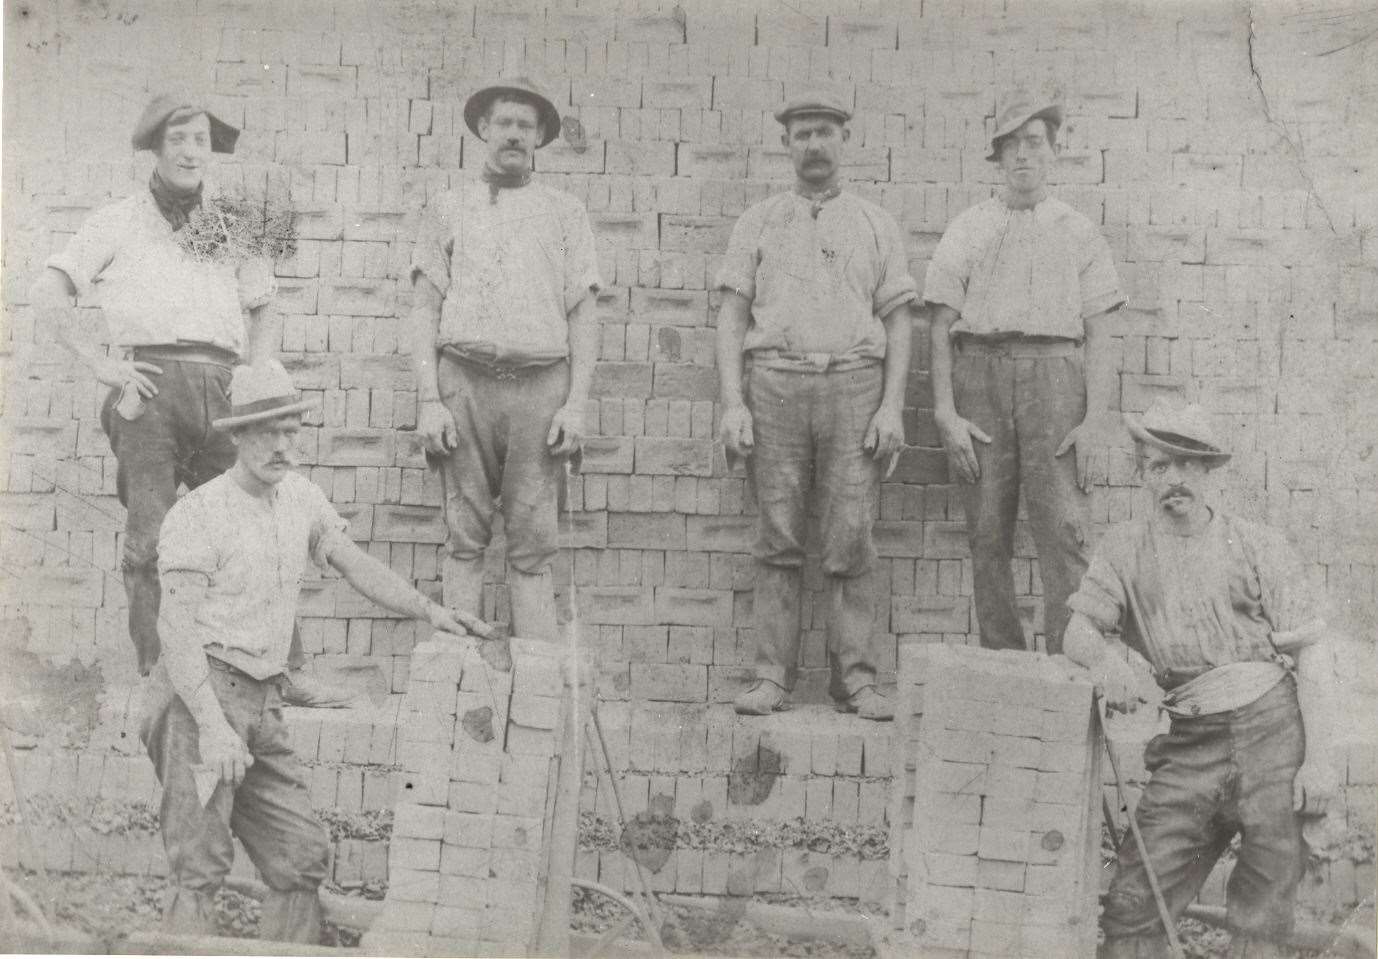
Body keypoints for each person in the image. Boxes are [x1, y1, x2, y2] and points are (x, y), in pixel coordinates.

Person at [147, 360, 480, 942]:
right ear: (237, 435)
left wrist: (431, 611)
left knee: (299, 854)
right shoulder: (198, 514)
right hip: (198, 699)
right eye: (268, 431)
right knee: (198, 867)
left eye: (291, 431)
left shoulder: (300, 498)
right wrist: (213, 727)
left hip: (262, 700)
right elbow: (175, 631)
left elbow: (357, 566)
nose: (282, 445)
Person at [28, 93, 339, 704]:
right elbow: (46, 293)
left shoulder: (233, 220)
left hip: (225, 389)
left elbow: (263, 305)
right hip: (151, 391)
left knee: (260, 523)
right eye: (178, 138)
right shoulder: (116, 219)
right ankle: (157, 674)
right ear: (154, 145)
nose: (190, 150)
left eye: (200, 139)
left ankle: (285, 670)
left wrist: (255, 377)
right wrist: (104, 367)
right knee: (150, 539)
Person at [1062, 399, 1339, 958]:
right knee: (1133, 908)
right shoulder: (1123, 549)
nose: (1174, 480)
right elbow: (1078, 632)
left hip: (1271, 733)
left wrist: (1321, 759)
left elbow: (1312, 656)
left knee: (1263, 912)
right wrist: (1109, 661)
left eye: (1187, 465)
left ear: (1209, 471)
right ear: (1143, 475)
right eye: (1158, 467)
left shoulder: (1259, 545)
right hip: (1189, 743)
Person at [716, 90, 917, 721]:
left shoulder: (875, 223)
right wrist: (732, 404)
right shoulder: (760, 221)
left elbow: (900, 322)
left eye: (826, 132)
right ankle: (770, 675)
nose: (814, 144)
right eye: (802, 134)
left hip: (855, 386)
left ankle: (855, 679)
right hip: (774, 384)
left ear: (846, 140)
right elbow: (731, 317)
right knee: (777, 536)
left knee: (851, 537)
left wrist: (891, 408)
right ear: (785, 144)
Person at [925, 90, 1125, 654]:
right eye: (1010, 146)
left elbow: (1102, 329)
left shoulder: (1077, 230)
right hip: (980, 381)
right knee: (987, 530)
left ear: (1054, 151)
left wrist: (1096, 420)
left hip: (1056, 381)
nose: (1022, 157)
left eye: (1033, 143)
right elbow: (939, 323)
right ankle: (1003, 661)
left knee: (1064, 529)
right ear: (996, 158)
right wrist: (945, 412)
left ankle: (1069, 660)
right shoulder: (969, 228)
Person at [410, 78, 601, 641]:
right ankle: (458, 678)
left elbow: (583, 314)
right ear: (483, 130)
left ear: (540, 136)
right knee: (464, 535)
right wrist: (428, 401)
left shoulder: (564, 213)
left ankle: (535, 689)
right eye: (504, 123)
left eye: (526, 125)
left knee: (533, 543)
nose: (514, 134)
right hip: (463, 384)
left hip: (540, 389)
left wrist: (576, 405)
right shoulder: (449, 208)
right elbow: (423, 308)